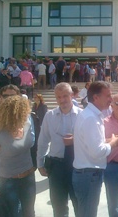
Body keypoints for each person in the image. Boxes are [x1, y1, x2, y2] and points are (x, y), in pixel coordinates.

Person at [72, 81, 118, 217]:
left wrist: (107, 141)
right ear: (95, 97)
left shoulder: (91, 115)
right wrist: (113, 143)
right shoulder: (90, 118)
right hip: (89, 175)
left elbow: (90, 144)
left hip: (88, 174)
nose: (111, 99)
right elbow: (97, 152)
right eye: (108, 96)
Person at [0, 95, 36, 217]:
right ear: (12, 114)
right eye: (23, 113)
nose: (26, 116)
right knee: (14, 214)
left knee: (29, 213)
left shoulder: (27, 124)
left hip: (28, 177)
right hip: (9, 181)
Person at [37, 82, 82, 217]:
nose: (62, 100)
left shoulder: (83, 115)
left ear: (72, 95)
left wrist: (75, 139)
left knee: (79, 204)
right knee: (58, 206)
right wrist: (40, 163)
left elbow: (90, 140)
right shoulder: (49, 116)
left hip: (77, 166)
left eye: (65, 96)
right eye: (58, 97)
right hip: (56, 167)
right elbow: (43, 140)